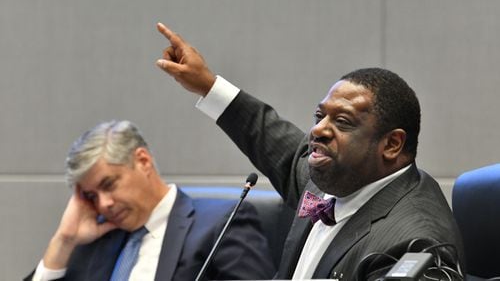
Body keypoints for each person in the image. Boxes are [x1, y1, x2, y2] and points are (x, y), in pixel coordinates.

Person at [155, 22, 465, 279]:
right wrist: (208, 86)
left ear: (391, 144)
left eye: (342, 122)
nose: (318, 130)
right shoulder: (335, 179)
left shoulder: (417, 242)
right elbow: (270, 137)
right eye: (319, 117)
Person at [25, 120, 275, 281]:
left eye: (108, 185)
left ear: (143, 161)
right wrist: (63, 241)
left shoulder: (222, 224)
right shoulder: (94, 241)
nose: (103, 205)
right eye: (91, 196)